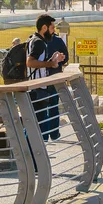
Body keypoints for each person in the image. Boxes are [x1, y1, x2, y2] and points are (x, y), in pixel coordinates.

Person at [25, 14, 65, 142]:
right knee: (37, 125)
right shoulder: (39, 43)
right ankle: (31, 156)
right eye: (52, 27)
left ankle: (32, 156)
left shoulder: (32, 39)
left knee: (34, 124)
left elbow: (37, 63)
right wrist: (50, 64)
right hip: (37, 89)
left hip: (34, 88)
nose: (54, 30)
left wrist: (53, 59)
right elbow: (30, 62)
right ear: (44, 27)